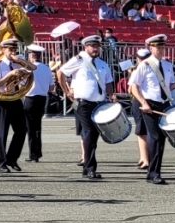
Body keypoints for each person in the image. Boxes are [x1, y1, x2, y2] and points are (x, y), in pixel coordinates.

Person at [130, 35, 175, 185]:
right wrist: (143, 103)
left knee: (161, 139)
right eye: (157, 47)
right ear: (150, 48)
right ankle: (154, 173)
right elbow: (134, 87)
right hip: (150, 105)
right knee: (154, 137)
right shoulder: (145, 65)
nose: (160, 50)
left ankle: (153, 172)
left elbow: (168, 87)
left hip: (163, 104)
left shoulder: (167, 65)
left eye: (162, 47)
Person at [57, 35, 115, 179]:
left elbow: (108, 82)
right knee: (89, 133)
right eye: (92, 46)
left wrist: (112, 95)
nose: (95, 49)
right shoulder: (78, 60)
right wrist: (66, 91)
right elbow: (60, 73)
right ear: (86, 47)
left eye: (97, 46)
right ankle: (90, 168)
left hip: (99, 104)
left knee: (94, 135)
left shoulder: (102, 63)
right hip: (84, 103)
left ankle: (87, 167)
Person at [0, 38, 29, 173]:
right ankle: (1, 163)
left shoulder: (17, 63)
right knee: (2, 133)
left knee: (22, 130)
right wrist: (11, 74)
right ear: (3, 50)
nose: (13, 52)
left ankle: (12, 159)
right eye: (10, 50)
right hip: (3, 100)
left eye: (14, 49)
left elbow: (31, 70)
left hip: (16, 98)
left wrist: (22, 73)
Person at [23, 44, 54, 163]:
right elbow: (51, 87)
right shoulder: (46, 68)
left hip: (30, 98)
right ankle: (38, 152)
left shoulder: (27, 68)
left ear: (31, 55)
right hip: (42, 99)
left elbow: (22, 85)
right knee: (37, 127)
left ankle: (33, 154)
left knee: (30, 128)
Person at [128, 48, 151, 169]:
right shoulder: (137, 70)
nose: (141, 60)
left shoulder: (138, 69)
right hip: (142, 100)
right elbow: (131, 89)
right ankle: (144, 158)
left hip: (145, 100)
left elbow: (130, 89)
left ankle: (145, 158)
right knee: (142, 130)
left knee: (145, 130)